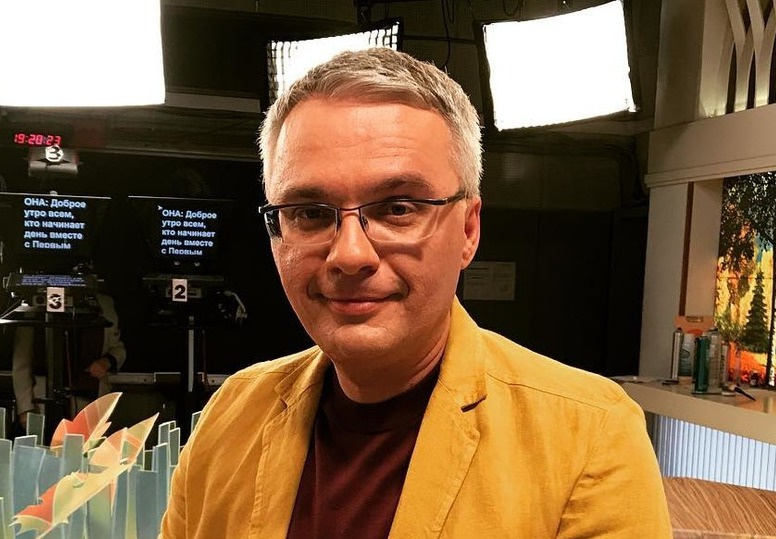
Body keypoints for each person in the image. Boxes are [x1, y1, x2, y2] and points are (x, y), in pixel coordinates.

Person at [161, 47, 671, 538]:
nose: (350, 254)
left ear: (468, 229)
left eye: (398, 208)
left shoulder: (588, 436)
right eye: (310, 213)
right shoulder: (232, 415)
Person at [12, 291, 126, 430]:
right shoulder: (34, 306)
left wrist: (106, 362)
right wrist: (25, 408)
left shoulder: (104, 304)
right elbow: (22, 361)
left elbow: (118, 349)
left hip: (90, 401)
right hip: (42, 404)